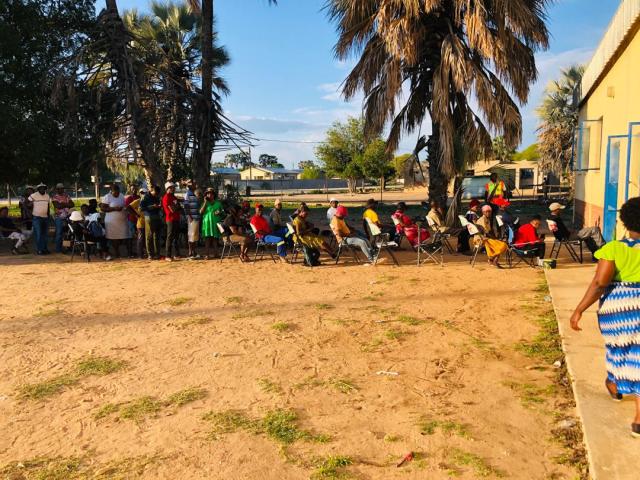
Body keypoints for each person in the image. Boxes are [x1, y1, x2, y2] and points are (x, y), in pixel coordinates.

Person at [570, 197, 640, 437]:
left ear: (624, 220)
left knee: (618, 347)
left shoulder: (614, 249)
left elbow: (600, 282)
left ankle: (615, 383)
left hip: (620, 306)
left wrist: (580, 309)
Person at [100, 184, 129, 259]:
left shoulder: (122, 195)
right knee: (114, 237)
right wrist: (114, 209)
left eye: (118, 191)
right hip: (112, 222)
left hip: (122, 221)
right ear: (111, 191)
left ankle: (120, 252)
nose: (117, 193)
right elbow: (102, 209)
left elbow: (124, 205)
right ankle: (116, 253)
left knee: (123, 236)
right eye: (115, 192)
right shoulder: (107, 197)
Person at [200, 188, 224, 259]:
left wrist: (219, 212)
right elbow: (201, 212)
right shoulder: (204, 203)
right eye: (208, 193)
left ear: (214, 195)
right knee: (207, 239)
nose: (209, 195)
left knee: (215, 239)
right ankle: (206, 254)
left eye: (211, 193)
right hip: (207, 223)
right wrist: (205, 202)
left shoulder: (218, 203)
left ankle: (216, 253)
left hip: (215, 223)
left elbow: (223, 213)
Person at [141, 185, 163, 260]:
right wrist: (152, 207)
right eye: (156, 193)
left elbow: (159, 206)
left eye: (158, 193)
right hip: (149, 218)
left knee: (156, 236)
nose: (157, 195)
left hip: (157, 217)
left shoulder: (157, 197)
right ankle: (150, 254)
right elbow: (141, 208)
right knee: (149, 236)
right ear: (152, 191)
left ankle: (157, 253)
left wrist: (159, 206)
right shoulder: (145, 197)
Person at [51, 183, 74, 253]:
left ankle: (67, 247)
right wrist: (66, 204)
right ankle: (58, 249)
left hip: (67, 217)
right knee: (59, 233)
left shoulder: (67, 196)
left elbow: (72, 204)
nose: (62, 189)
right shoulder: (54, 197)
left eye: (62, 188)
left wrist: (62, 204)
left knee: (68, 233)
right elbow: (57, 206)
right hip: (59, 217)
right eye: (60, 188)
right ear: (57, 189)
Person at [29, 183, 51, 255]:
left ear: (45, 189)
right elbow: (28, 203)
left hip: (45, 217)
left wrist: (48, 215)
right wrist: (30, 212)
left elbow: (48, 206)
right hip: (36, 217)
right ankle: (39, 250)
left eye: (43, 188)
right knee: (38, 234)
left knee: (45, 234)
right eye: (40, 188)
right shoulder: (34, 195)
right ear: (38, 189)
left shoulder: (47, 196)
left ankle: (44, 249)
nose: (42, 189)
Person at [162, 182, 181, 261]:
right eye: (171, 187)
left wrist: (176, 206)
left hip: (176, 219)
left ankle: (176, 254)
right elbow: (172, 209)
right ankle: (168, 255)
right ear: (167, 189)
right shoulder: (166, 197)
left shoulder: (173, 197)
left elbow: (179, 207)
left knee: (176, 237)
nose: (173, 189)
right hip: (170, 219)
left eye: (173, 187)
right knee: (170, 237)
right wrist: (176, 206)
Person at [183, 180, 201, 259]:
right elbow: (186, 206)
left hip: (196, 218)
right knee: (191, 235)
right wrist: (189, 216)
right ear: (190, 186)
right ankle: (190, 253)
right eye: (193, 184)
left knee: (195, 236)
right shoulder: (187, 194)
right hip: (192, 218)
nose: (195, 185)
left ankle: (194, 252)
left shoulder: (194, 194)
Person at [127, 189, 146, 259]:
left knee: (146, 239)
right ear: (139, 194)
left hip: (148, 223)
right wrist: (136, 214)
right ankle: (140, 255)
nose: (143, 194)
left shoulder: (148, 200)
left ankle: (146, 253)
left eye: (144, 192)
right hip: (140, 223)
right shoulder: (138, 201)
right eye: (141, 193)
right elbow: (128, 207)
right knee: (140, 239)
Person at [124, 184, 140, 258]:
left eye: (135, 188)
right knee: (130, 237)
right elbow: (128, 209)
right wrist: (135, 215)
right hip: (131, 220)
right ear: (130, 190)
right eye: (132, 189)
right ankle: (129, 252)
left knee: (138, 237)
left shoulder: (139, 197)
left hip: (139, 220)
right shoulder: (129, 198)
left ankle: (138, 251)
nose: (134, 190)